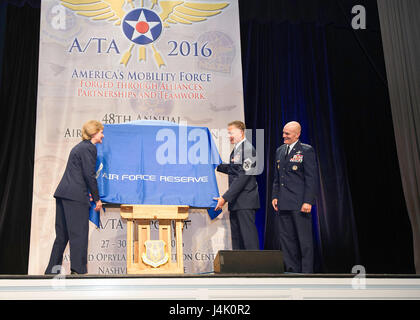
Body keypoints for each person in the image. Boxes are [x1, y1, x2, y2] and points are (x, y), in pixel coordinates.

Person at [45, 120, 104, 275]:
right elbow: (89, 175)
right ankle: (78, 271)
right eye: (101, 132)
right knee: (79, 235)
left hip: (64, 193)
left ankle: (51, 271)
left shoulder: (80, 147)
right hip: (75, 197)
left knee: (62, 235)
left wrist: (88, 193)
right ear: (94, 133)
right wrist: (97, 199)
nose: (102, 136)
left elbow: (79, 174)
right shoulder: (89, 148)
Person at [272, 121, 317, 273]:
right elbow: (277, 178)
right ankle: (292, 270)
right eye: (283, 132)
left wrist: (308, 201)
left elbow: (311, 178)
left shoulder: (306, 150)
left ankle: (307, 273)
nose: (284, 136)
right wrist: (275, 196)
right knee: (287, 240)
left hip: (300, 203)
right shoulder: (280, 150)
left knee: (304, 241)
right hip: (283, 202)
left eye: (287, 134)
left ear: (297, 134)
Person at [215, 121, 260, 250]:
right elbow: (233, 169)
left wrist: (224, 198)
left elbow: (243, 176)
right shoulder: (238, 149)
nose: (229, 136)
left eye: (231, 132)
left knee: (248, 238)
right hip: (236, 202)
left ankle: (255, 267)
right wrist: (216, 165)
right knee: (237, 239)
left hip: (245, 201)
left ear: (241, 132)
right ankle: (241, 269)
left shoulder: (248, 150)